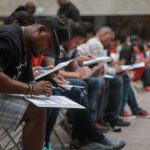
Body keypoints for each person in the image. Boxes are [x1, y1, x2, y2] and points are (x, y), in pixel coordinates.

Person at [0, 16, 70, 150]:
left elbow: (28, 81)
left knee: (42, 104)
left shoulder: (26, 44)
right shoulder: (9, 38)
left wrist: (45, 88)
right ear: (40, 30)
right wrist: (32, 88)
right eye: (49, 44)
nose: (48, 51)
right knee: (36, 110)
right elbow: (29, 86)